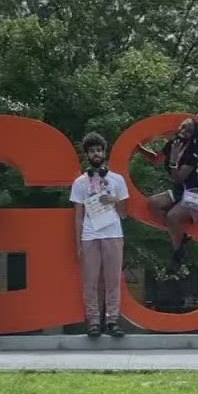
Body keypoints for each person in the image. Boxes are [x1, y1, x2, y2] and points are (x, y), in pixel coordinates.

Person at [69, 132, 131, 339]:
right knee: (91, 281)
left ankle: (112, 320)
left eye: (99, 150)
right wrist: (77, 242)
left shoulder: (117, 179)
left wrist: (113, 199)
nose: (96, 154)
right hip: (90, 235)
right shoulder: (79, 182)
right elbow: (78, 215)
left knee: (113, 279)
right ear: (87, 154)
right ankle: (93, 321)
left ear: (104, 152)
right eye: (92, 151)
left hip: (113, 233)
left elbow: (124, 213)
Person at [144, 117, 198, 274]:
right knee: (153, 204)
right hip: (179, 192)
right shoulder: (173, 144)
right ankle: (180, 238)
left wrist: (173, 161)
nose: (183, 132)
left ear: (193, 134)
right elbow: (156, 159)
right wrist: (138, 147)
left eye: (188, 130)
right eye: (182, 127)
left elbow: (178, 178)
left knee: (172, 216)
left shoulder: (193, 152)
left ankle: (178, 255)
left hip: (195, 193)